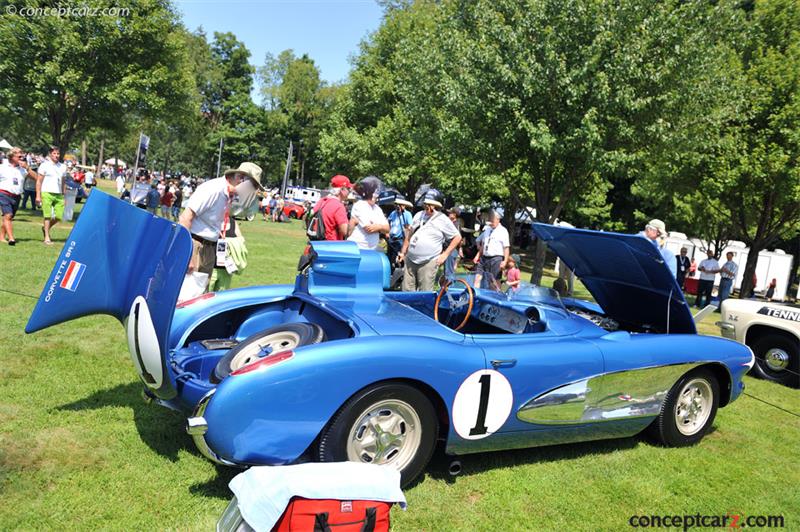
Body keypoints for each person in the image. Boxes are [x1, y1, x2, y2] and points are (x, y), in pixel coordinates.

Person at [179, 162, 264, 290]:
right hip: (195, 245)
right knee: (187, 294)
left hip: (210, 247)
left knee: (200, 295)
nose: (253, 191)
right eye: (252, 186)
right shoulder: (214, 189)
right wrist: (189, 256)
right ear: (240, 178)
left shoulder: (229, 196)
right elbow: (185, 218)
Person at [398, 189, 461, 291]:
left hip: (428, 261)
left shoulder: (443, 219)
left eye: (430, 204)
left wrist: (445, 255)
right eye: (426, 204)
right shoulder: (419, 215)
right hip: (410, 259)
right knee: (406, 292)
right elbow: (409, 236)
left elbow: (457, 237)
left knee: (424, 294)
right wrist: (402, 252)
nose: (427, 206)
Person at [0, 147, 38, 245]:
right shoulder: (2, 167)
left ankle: (1, 237)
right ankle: (11, 238)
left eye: (22, 155)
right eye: (19, 155)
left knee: (8, 217)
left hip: (16, 196)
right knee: (8, 215)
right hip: (4, 194)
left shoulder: (23, 169)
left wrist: (28, 168)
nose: (21, 157)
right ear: (12, 156)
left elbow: (36, 178)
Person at [347, 176, 389, 251]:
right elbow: (369, 228)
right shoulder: (360, 205)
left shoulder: (377, 208)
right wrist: (381, 226)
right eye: (375, 191)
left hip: (372, 249)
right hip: (358, 248)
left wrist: (379, 227)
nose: (377, 194)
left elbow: (388, 229)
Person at [35, 146, 67, 245]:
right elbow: (39, 181)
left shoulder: (63, 166)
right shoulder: (44, 165)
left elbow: (63, 182)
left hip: (58, 194)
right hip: (46, 192)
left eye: (58, 154)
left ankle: (45, 228)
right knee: (47, 216)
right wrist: (38, 195)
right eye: (54, 153)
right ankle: (47, 238)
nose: (56, 155)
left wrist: (64, 195)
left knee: (58, 216)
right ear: (50, 154)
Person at [473, 210, 510, 290]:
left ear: (498, 219)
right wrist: (477, 255)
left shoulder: (503, 231)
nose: (491, 223)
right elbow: (483, 244)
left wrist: (505, 261)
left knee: (493, 281)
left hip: (496, 259)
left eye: (492, 221)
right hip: (484, 257)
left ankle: (496, 297)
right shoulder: (487, 230)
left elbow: (506, 248)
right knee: (477, 278)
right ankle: (476, 295)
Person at [311, 175, 352, 241]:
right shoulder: (339, 206)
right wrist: (353, 222)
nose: (349, 191)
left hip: (316, 243)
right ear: (342, 189)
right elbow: (345, 232)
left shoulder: (322, 201)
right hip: (330, 245)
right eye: (348, 189)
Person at [387, 197, 413, 267]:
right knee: (390, 257)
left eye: (400, 205)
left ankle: (399, 272)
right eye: (397, 205)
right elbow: (388, 221)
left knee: (399, 258)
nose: (398, 207)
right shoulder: (393, 213)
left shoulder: (407, 214)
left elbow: (409, 227)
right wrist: (387, 232)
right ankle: (391, 272)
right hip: (391, 238)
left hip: (400, 239)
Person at [444, 207, 462, 282]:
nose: (449, 214)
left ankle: (449, 287)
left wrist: (460, 249)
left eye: (450, 213)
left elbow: (459, 238)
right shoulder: (452, 223)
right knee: (447, 270)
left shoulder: (455, 225)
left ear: (454, 215)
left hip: (451, 249)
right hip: (448, 249)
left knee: (449, 271)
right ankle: (446, 286)